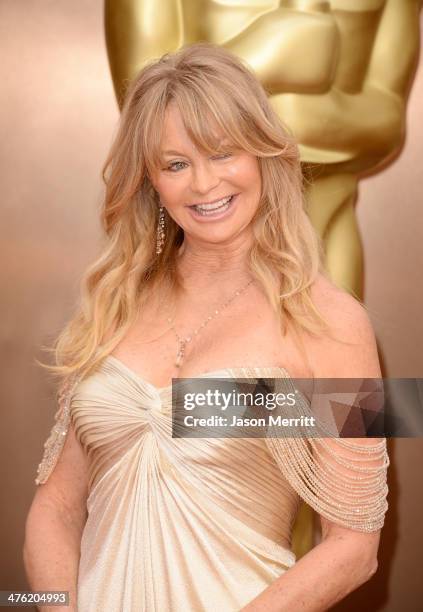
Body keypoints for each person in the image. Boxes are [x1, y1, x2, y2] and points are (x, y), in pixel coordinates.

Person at [23, 42, 389, 612]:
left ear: (264, 155)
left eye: (223, 153)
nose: (202, 184)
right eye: (175, 164)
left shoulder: (331, 322)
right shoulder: (113, 304)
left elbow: (354, 546)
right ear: (152, 182)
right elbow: (56, 507)